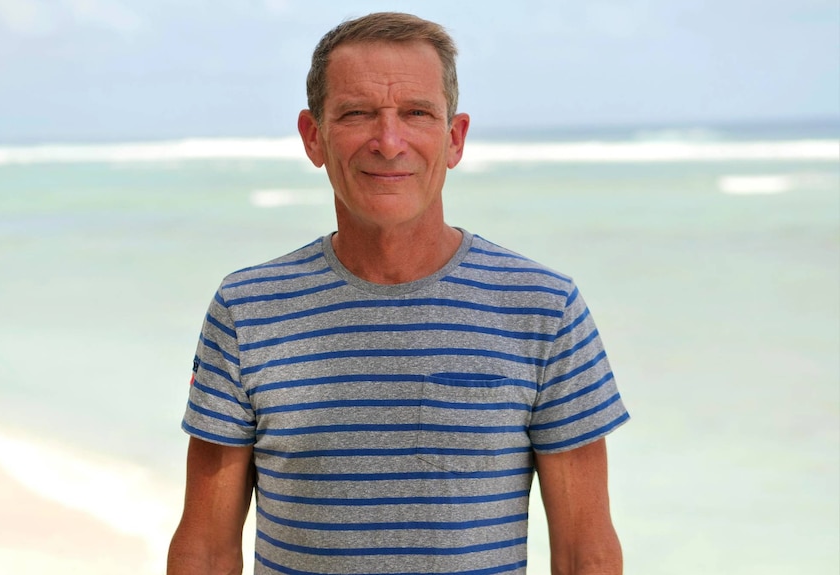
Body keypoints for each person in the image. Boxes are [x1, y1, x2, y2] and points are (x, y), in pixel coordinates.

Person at [167, 11, 629, 575]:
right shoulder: (246, 309)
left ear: (453, 138)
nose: (389, 142)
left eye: (416, 113)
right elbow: (207, 547)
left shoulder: (543, 309)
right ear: (313, 137)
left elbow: (586, 552)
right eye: (357, 114)